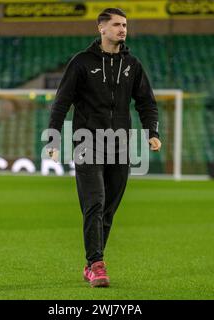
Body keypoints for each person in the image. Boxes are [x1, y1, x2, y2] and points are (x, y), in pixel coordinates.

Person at [47, 8, 161, 287]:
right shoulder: (81, 63)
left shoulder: (133, 64)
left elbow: (146, 101)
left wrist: (152, 131)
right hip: (87, 143)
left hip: (121, 145)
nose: (123, 29)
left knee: (108, 209)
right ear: (101, 28)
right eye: (117, 25)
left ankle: (92, 263)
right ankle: (97, 263)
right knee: (94, 202)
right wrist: (53, 139)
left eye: (125, 25)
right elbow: (62, 102)